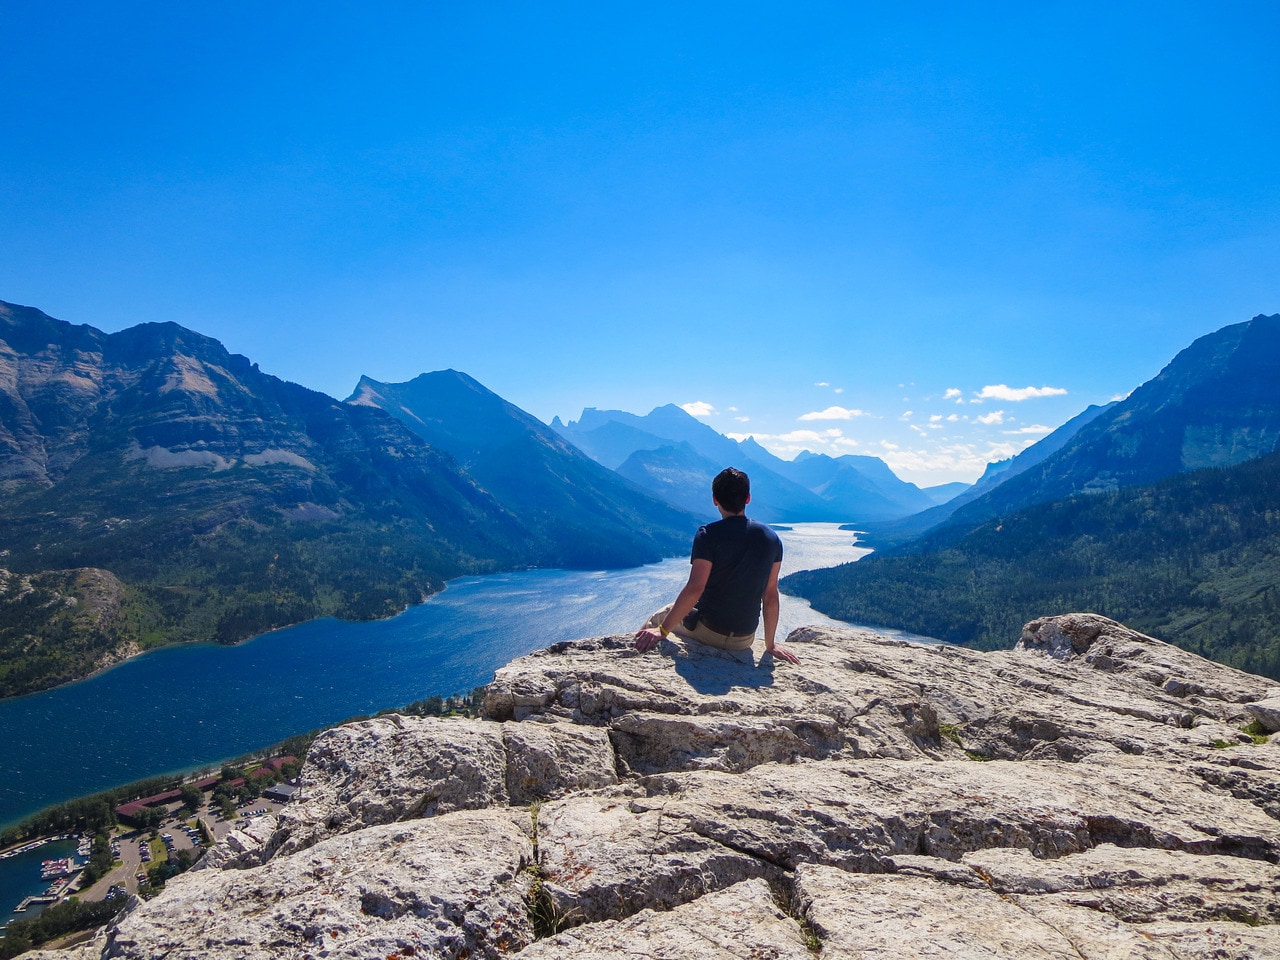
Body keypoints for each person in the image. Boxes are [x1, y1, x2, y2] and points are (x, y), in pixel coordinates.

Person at [635, 467, 801, 663]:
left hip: (708, 632)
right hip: (744, 639)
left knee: (660, 616)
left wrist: (663, 630)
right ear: (748, 498)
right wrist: (770, 645)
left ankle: (632, 657)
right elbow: (771, 594)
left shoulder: (708, 535)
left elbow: (696, 588)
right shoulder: (771, 538)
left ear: (715, 500)